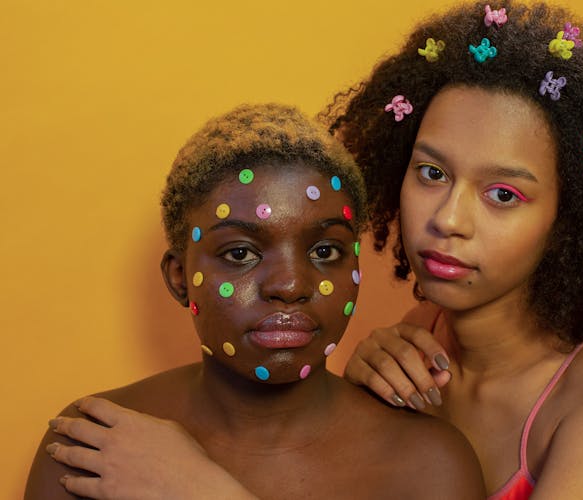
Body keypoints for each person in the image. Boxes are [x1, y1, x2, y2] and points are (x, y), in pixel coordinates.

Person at [34, 1, 583, 498]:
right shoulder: (402, 351)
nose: (449, 219)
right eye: (431, 173)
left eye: (503, 196)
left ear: (570, 219)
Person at [24, 103, 485, 499]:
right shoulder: (97, 445)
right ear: (180, 277)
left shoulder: (428, 467)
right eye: (240, 253)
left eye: (325, 251)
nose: (288, 286)